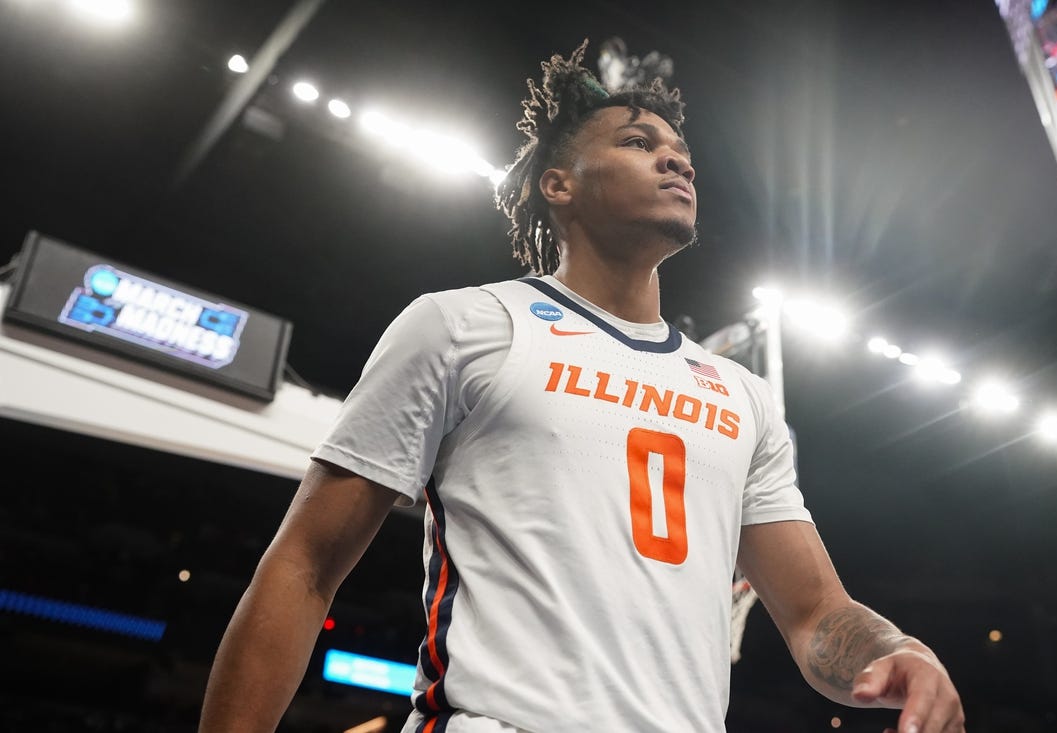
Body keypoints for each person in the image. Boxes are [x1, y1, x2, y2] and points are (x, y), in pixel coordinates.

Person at [198, 41, 965, 733]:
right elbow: (306, 563)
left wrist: (894, 650)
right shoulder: (463, 324)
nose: (677, 161)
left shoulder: (742, 394)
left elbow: (813, 611)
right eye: (639, 143)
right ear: (557, 184)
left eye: (680, 150)